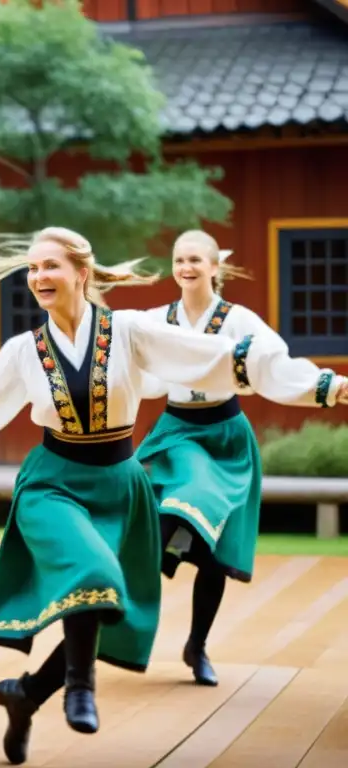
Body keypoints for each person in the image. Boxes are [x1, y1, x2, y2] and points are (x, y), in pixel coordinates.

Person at [0, 227, 347, 766]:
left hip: (121, 486)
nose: (39, 277)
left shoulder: (131, 331)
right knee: (92, 574)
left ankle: (24, 697)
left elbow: (221, 357)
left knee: (102, 602)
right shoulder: (25, 350)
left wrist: (321, 385)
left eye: (50, 265)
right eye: (32, 268)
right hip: (53, 485)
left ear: (81, 273)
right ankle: (80, 687)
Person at [134, 230, 340, 687]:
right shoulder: (156, 320)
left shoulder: (239, 320)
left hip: (226, 437)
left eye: (194, 260)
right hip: (178, 434)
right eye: (178, 260)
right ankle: (117, 624)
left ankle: (197, 646)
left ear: (213, 267)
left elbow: (275, 365)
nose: (185, 267)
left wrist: (328, 385)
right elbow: (120, 356)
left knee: (214, 553)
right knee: (180, 503)